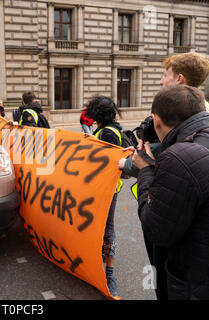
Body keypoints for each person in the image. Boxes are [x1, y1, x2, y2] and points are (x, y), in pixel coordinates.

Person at [132, 85, 209, 299]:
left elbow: (156, 229)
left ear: (156, 121)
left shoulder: (179, 157)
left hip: (199, 284)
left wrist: (146, 170)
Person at [120, 52, 209, 176]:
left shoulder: (185, 111)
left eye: (165, 75)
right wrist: (142, 152)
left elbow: (173, 156)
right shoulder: (203, 108)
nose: (161, 81)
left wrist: (129, 163)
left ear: (179, 79)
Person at [85, 95, 123, 298]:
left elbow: (108, 164)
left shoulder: (107, 133)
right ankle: (101, 259)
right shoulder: (104, 130)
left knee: (108, 229)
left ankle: (109, 275)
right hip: (101, 189)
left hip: (106, 190)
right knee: (101, 227)